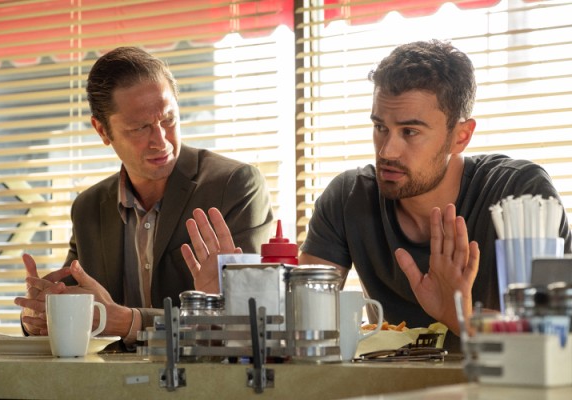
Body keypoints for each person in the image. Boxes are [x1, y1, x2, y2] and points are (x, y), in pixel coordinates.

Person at [184, 40, 571, 351]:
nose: (387, 150)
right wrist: (228, 305)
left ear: (461, 136)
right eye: (380, 127)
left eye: (410, 132)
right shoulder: (347, 198)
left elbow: (558, 347)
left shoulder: (521, 196)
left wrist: (462, 320)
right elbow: (300, 332)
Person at [14, 46, 274, 347]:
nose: (161, 141)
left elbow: (247, 320)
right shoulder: (88, 208)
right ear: (102, 131)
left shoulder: (234, 187)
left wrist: (128, 322)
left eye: (169, 120)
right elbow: (78, 304)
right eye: (140, 128)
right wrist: (41, 314)